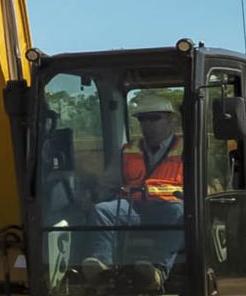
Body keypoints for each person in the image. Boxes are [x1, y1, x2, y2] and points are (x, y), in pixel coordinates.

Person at [79, 92, 186, 278]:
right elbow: (108, 183)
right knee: (102, 211)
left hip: (168, 208)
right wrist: (92, 198)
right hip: (133, 209)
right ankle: (101, 270)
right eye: (143, 119)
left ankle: (158, 270)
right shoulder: (129, 150)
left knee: (179, 212)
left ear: (172, 121)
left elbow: (208, 185)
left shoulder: (188, 149)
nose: (147, 124)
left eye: (154, 118)